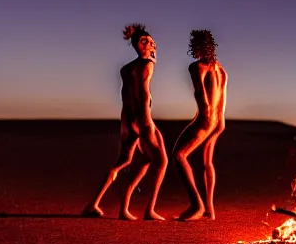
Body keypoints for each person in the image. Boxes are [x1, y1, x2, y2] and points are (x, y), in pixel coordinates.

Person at [83, 24, 168, 220]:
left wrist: (128, 124)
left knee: (127, 161)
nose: (151, 44)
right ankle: (149, 209)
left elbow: (126, 96)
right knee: (161, 160)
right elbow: (143, 94)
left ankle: (96, 204)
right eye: (146, 41)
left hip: (127, 120)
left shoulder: (125, 69)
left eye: (151, 41)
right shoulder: (147, 65)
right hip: (143, 118)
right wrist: (145, 122)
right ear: (140, 44)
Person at [173, 30, 227, 221]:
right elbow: (222, 103)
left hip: (205, 120)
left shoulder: (196, 67)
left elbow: (201, 95)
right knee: (207, 161)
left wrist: (204, 120)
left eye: (194, 45)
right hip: (217, 122)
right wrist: (219, 124)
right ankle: (209, 210)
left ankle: (196, 204)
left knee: (179, 155)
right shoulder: (221, 70)